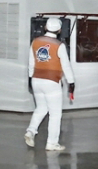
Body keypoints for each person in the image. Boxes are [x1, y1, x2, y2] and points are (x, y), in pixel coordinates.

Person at [25, 16, 75, 152]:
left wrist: (30, 79)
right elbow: (66, 65)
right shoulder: (59, 45)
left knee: (41, 108)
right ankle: (52, 143)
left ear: (45, 27)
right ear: (59, 30)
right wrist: (71, 82)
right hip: (52, 81)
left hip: (36, 79)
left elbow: (31, 62)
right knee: (55, 114)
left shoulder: (35, 42)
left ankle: (30, 131)